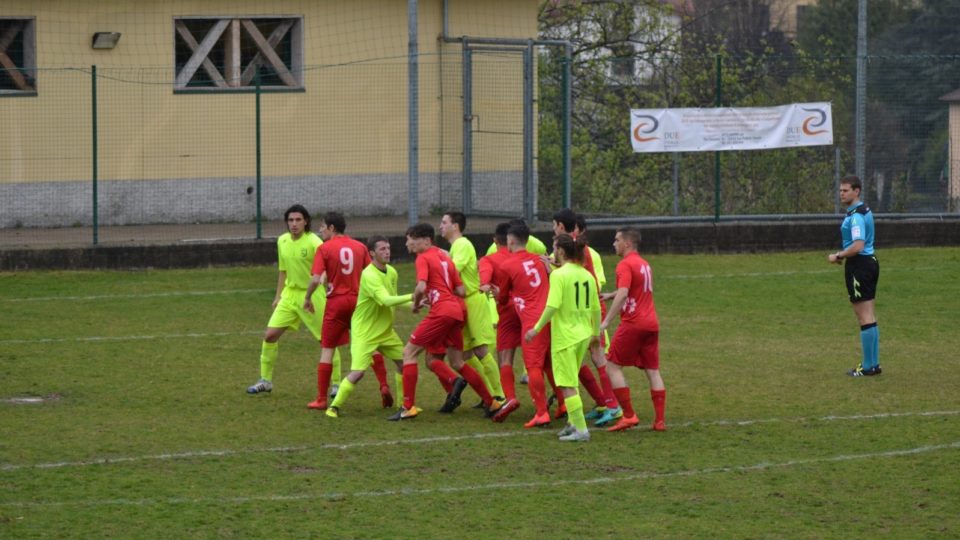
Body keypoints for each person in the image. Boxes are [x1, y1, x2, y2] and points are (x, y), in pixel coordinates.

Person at [390, 223, 498, 421]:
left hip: (442, 311)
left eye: (411, 238)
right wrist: (437, 293)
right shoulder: (445, 259)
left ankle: (408, 407)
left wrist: (416, 304)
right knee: (457, 361)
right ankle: (492, 401)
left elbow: (421, 286)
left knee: (408, 353)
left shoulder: (423, 258)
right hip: (457, 311)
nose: (408, 243)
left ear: (425, 240)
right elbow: (461, 291)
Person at [304, 212, 390, 410]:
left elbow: (316, 279)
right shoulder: (360, 247)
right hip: (358, 302)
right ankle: (384, 386)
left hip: (336, 303)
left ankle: (321, 399)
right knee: (370, 345)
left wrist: (307, 298)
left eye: (323, 226)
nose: (320, 230)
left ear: (332, 228)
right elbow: (373, 272)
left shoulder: (324, 248)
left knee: (327, 349)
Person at [247, 205, 333, 394]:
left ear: (306, 221)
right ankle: (265, 380)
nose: (294, 224)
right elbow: (283, 271)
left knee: (326, 340)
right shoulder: (282, 241)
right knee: (270, 335)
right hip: (289, 295)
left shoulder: (314, 242)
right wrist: (278, 296)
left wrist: (324, 277)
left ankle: (335, 384)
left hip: (312, 295)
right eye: (291, 220)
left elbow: (327, 265)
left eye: (298, 220)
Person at [548, 208, 621, 425]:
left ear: (561, 226)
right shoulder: (574, 250)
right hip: (580, 311)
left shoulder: (574, 250)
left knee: (598, 357)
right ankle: (602, 403)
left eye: (554, 225)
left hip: (586, 311)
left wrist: (550, 267)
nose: (552, 229)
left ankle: (613, 406)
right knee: (580, 362)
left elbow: (589, 282)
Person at [526, 233, 601, 442]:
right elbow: (596, 308)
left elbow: (553, 306)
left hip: (566, 337)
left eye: (554, 247)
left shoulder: (559, 276)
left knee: (567, 384)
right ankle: (572, 423)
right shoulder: (586, 275)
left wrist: (536, 328)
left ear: (560, 251)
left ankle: (582, 430)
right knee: (571, 381)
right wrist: (596, 333)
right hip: (584, 334)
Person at [326, 236, 408, 418]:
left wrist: (419, 303)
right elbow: (386, 301)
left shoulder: (392, 272)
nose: (387, 252)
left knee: (404, 363)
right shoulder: (369, 274)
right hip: (365, 332)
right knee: (358, 373)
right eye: (382, 249)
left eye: (388, 248)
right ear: (372, 253)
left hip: (385, 331)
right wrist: (413, 296)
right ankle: (333, 407)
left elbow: (394, 300)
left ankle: (403, 405)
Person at [599, 228, 667, 432]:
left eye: (617, 240)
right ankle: (659, 421)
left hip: (633, 323)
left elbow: (625, 294)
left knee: (612, 366)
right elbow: (637, 290)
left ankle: (628, 415)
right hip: (651, 324)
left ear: (627, 243)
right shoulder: (644, 264)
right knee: (653, 371)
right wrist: (612, 294)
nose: (614, 243)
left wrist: (607, 321)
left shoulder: (624, 265)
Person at [496, 221, 559, 427]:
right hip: (551, 316)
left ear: (511, 241)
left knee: (533, 366)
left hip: (532, 321)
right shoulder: (541, 260)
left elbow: (503, 297)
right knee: (549, 363)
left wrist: (500, 295)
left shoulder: (507, 265)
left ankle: (541, 412)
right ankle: (565, 404)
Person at [439, 212, 504, 407]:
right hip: (463, 303)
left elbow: (451, 271)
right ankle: (489, 393)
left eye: (444, 222)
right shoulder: (456, 247)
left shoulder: (463, 245)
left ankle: (499, 395)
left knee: (481, 349)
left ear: (455, 226)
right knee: (465, 355)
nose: (440, 226)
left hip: (473, 301)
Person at [828, 175, 881, 377]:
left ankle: (867, 366)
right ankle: (873, 364)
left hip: (860, 266)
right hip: (869, 263)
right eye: (840, 190)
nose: (842, 194)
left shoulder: (857, 215)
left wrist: (838, 255)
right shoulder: (862, 210)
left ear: (856, 191)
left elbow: (858, 246)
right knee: (869, 314)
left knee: (863, 315)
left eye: (846, 190)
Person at [479, 222, 523, 422]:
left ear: (495, 240)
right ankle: (560, 403)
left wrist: (486, 286)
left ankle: (510, 398)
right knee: (541, 361)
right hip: (530, 311)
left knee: (505, 357)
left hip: (507, 312)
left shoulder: (489, 259)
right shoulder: (524, 256)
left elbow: (485, 283)